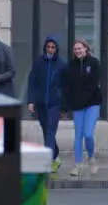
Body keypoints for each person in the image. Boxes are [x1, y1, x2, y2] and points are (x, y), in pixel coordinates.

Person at [27, 36, 67, 173]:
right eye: (48, 47)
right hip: (41, 102)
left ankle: (48, 161)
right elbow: (32, 81)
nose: (50, 49)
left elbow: (65, 86)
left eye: (53, 47)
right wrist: (31, 101)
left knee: (50, 129)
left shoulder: (62, 64)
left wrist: (63, 107)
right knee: (46, 131)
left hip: (54, 103)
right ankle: (55, 156)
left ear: (57, 49)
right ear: (45, 47)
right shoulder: (39, 62)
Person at [64, 39, 102, 176]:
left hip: (92, 104)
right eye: (75, 49)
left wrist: (84, 98)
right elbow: (68, 86)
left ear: (86, 48)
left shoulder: (94, 63)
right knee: (78, 136)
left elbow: (94, 83)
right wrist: (68, 102)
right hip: (77, 106)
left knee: (88, 134)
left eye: (80, 48)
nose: (77, 51)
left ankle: (91, 158)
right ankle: (77, 164)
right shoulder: (71, 65)